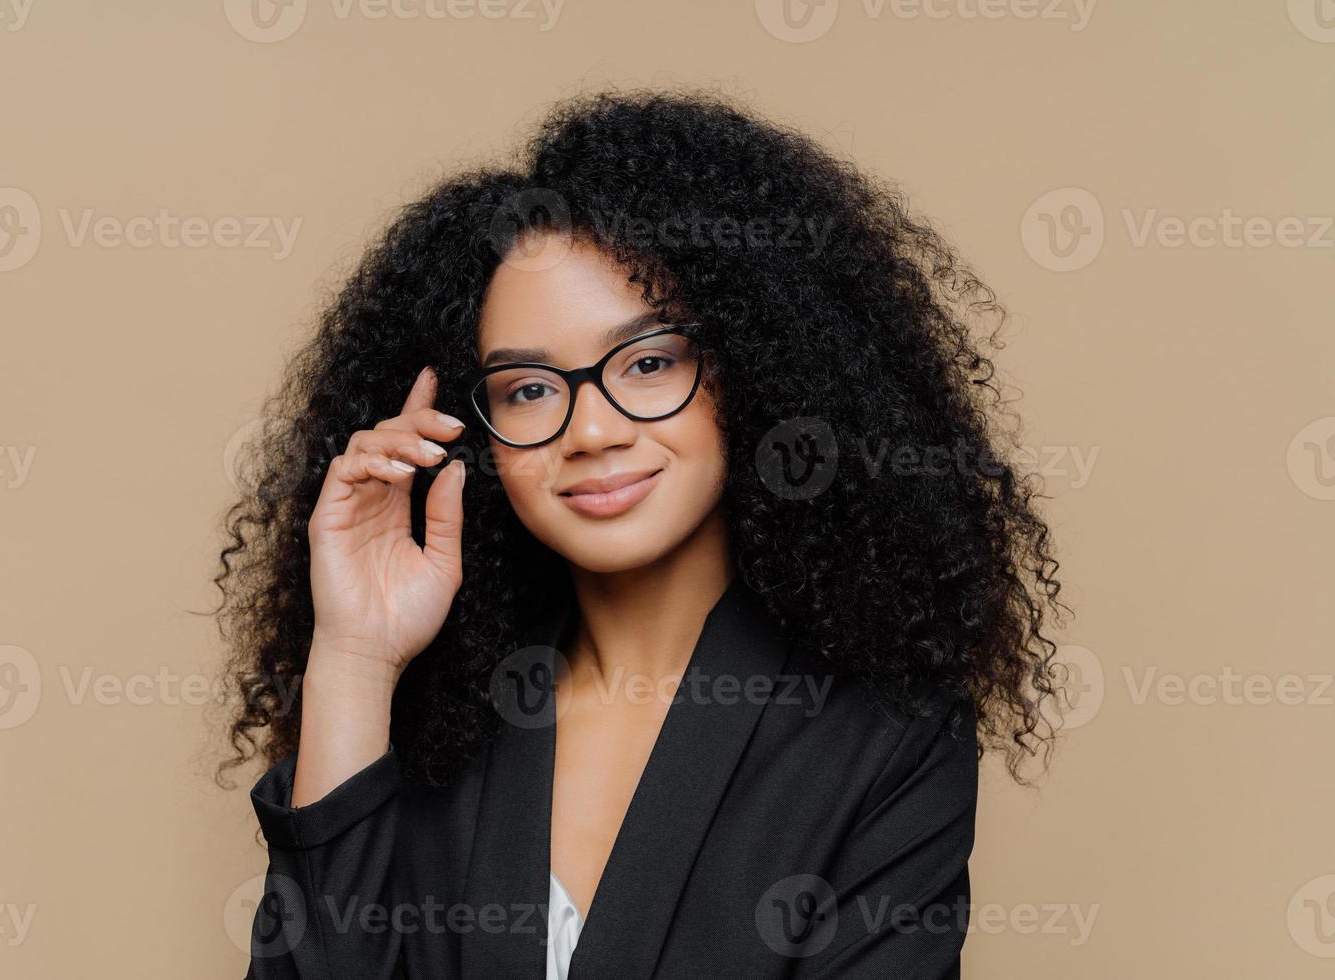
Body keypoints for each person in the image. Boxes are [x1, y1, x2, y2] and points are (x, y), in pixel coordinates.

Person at [215, 88, 1067, 979]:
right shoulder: (438, 721)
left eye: (649, 362)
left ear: (751, 365)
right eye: (530, 389)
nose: (591, 431)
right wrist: (354, 657)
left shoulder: (884, 737)